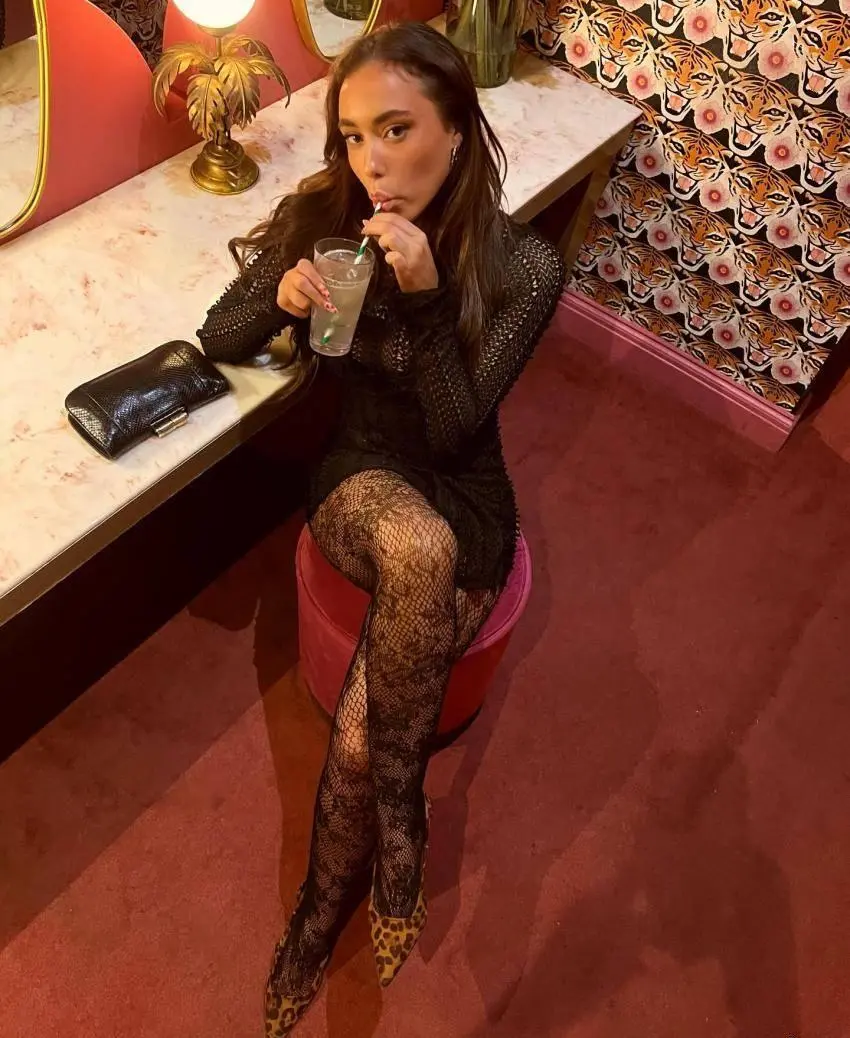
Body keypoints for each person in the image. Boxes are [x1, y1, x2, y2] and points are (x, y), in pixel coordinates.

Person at [198, 21, 565, 1036]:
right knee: (414, 545)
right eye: (355, 136)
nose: (371, 162)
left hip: (463, 487)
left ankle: (318, 915)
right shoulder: (329, 216)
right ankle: (403, 826)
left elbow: (455, 431)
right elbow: (218, 333)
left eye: (396, 130)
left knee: (363, 736)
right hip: (361, 473)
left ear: (456, 130)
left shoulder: (524, 266)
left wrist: (425, 297)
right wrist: (280, 299)